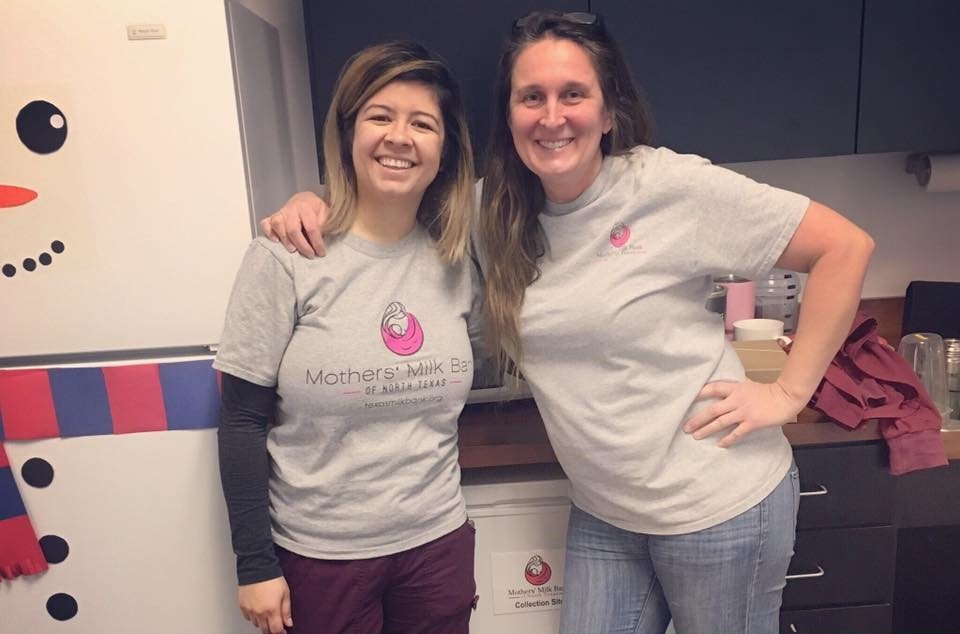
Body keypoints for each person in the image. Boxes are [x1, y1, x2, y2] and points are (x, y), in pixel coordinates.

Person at [260, 11, 874, 634]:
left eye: (573, 95)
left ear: (609, 112)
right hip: (605, 514)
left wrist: (788, 393)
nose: (552, 117)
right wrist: (313, 202)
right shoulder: (488, 210)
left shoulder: (670, 187)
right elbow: (386, 206)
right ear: (510, 115)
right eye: (532, 97)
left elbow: (844, 249)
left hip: (718, 505)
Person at [214, 41, 483, 634]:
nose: (399, 136)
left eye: (423, 123)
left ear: (445, 149)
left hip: (436, 544)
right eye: (379, 116)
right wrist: (254, 564)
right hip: (320, 557)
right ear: (348, 133)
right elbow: (239, 422)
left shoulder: (455, 260)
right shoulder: (286, 256)